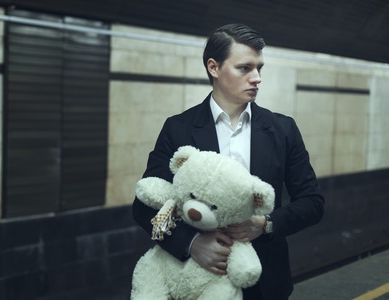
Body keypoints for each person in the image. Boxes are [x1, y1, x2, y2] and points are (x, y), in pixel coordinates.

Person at [132, 23, 325, 300]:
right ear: (214, 68)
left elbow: (313, 202)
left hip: (265, 281)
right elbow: (143, 207)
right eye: (245, 68)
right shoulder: (179, 128)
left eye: (259, 68)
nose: (257, 77)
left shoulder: (282, 130)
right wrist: (192, 243)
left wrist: (266, 224)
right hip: (196, 282)